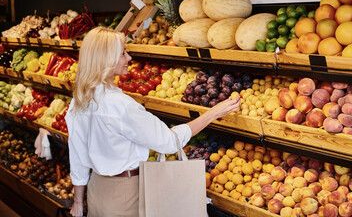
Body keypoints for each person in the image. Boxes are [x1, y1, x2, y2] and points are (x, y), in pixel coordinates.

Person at [65, 27, 241, 217]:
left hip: (97, 189)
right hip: (126, 193)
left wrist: (77, 202)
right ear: (105, 59)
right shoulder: (121, 106)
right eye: (123, 53)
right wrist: (212, 114)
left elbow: (78, 154)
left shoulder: (81, 99)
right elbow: (169, 142)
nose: (129, 58)